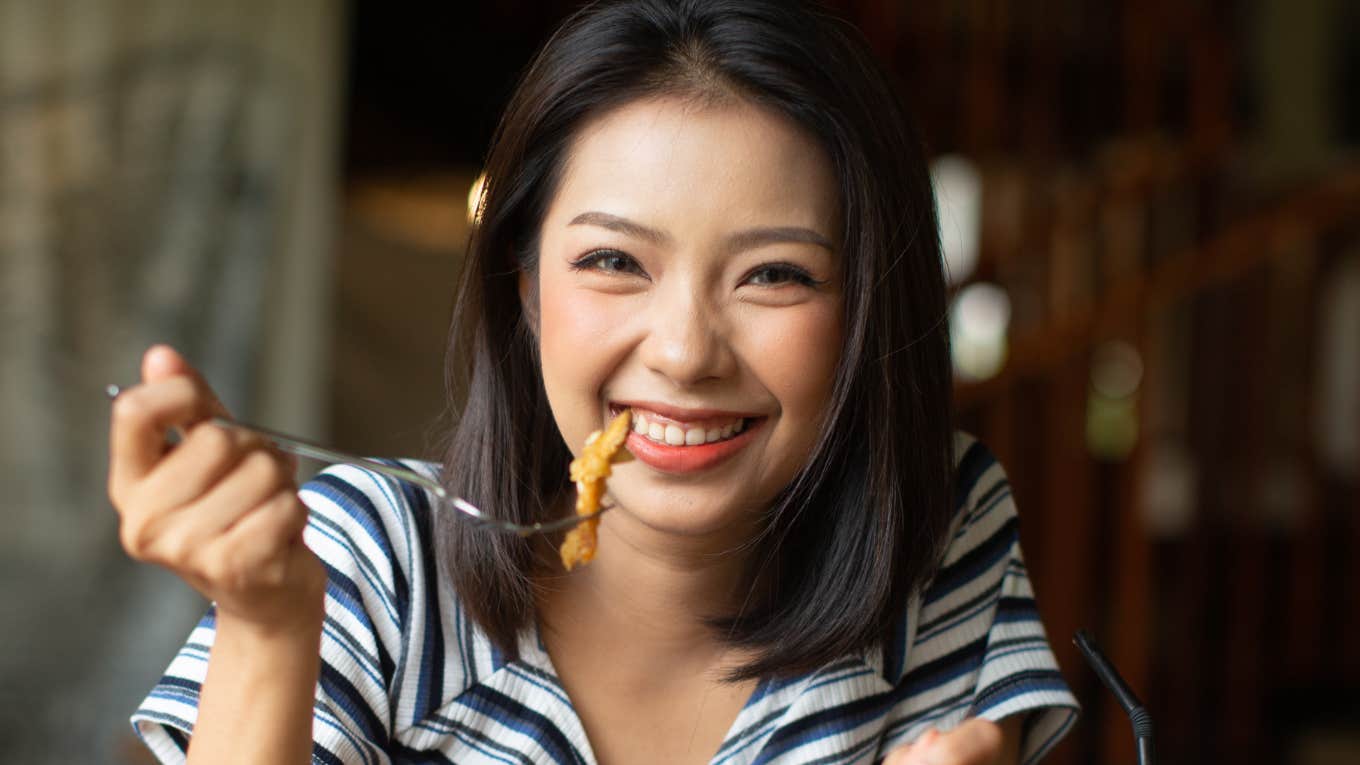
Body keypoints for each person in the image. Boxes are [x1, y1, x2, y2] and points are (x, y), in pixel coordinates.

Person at [109, 1, 1078, 762]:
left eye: (775, 275)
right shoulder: (366, 561)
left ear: (866, 305)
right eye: (614, 261)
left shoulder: (939, 537)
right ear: (524, 286)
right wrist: (268, 624)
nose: (685, 352)